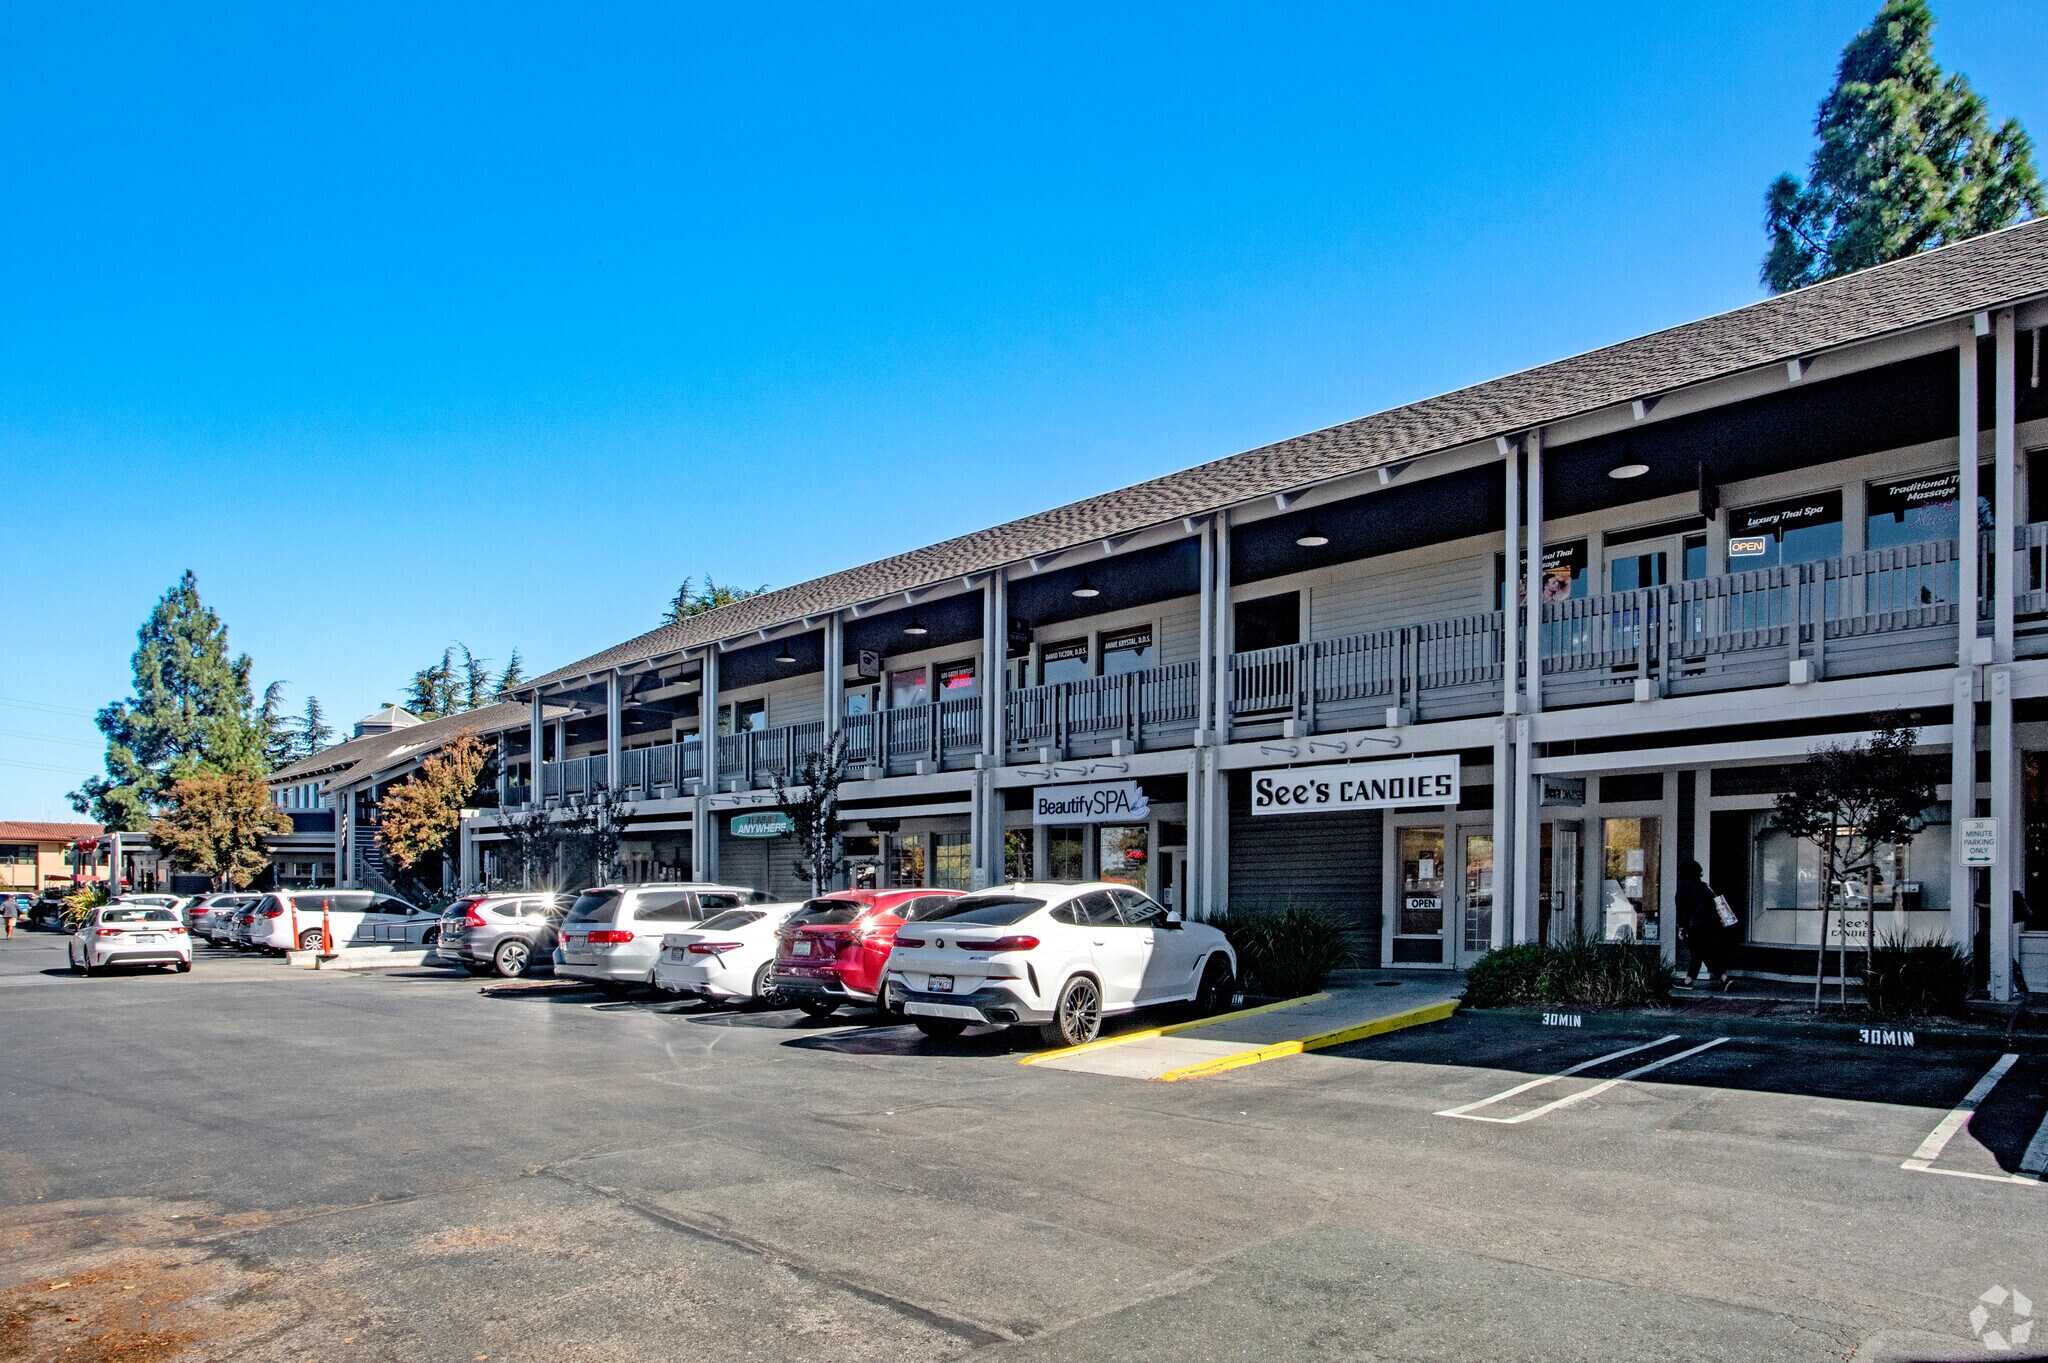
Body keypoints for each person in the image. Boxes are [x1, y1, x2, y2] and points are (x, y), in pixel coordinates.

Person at [1675, 859, 1730, 991]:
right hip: (1711, 926)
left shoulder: (1683, 888)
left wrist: (1682, 928)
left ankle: (1722, 977)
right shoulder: (1705, 887)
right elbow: (1716, 905)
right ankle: (1690, 980)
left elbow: (1682, 910)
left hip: (1694, 926)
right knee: (1700, 953)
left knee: (1699, 953)